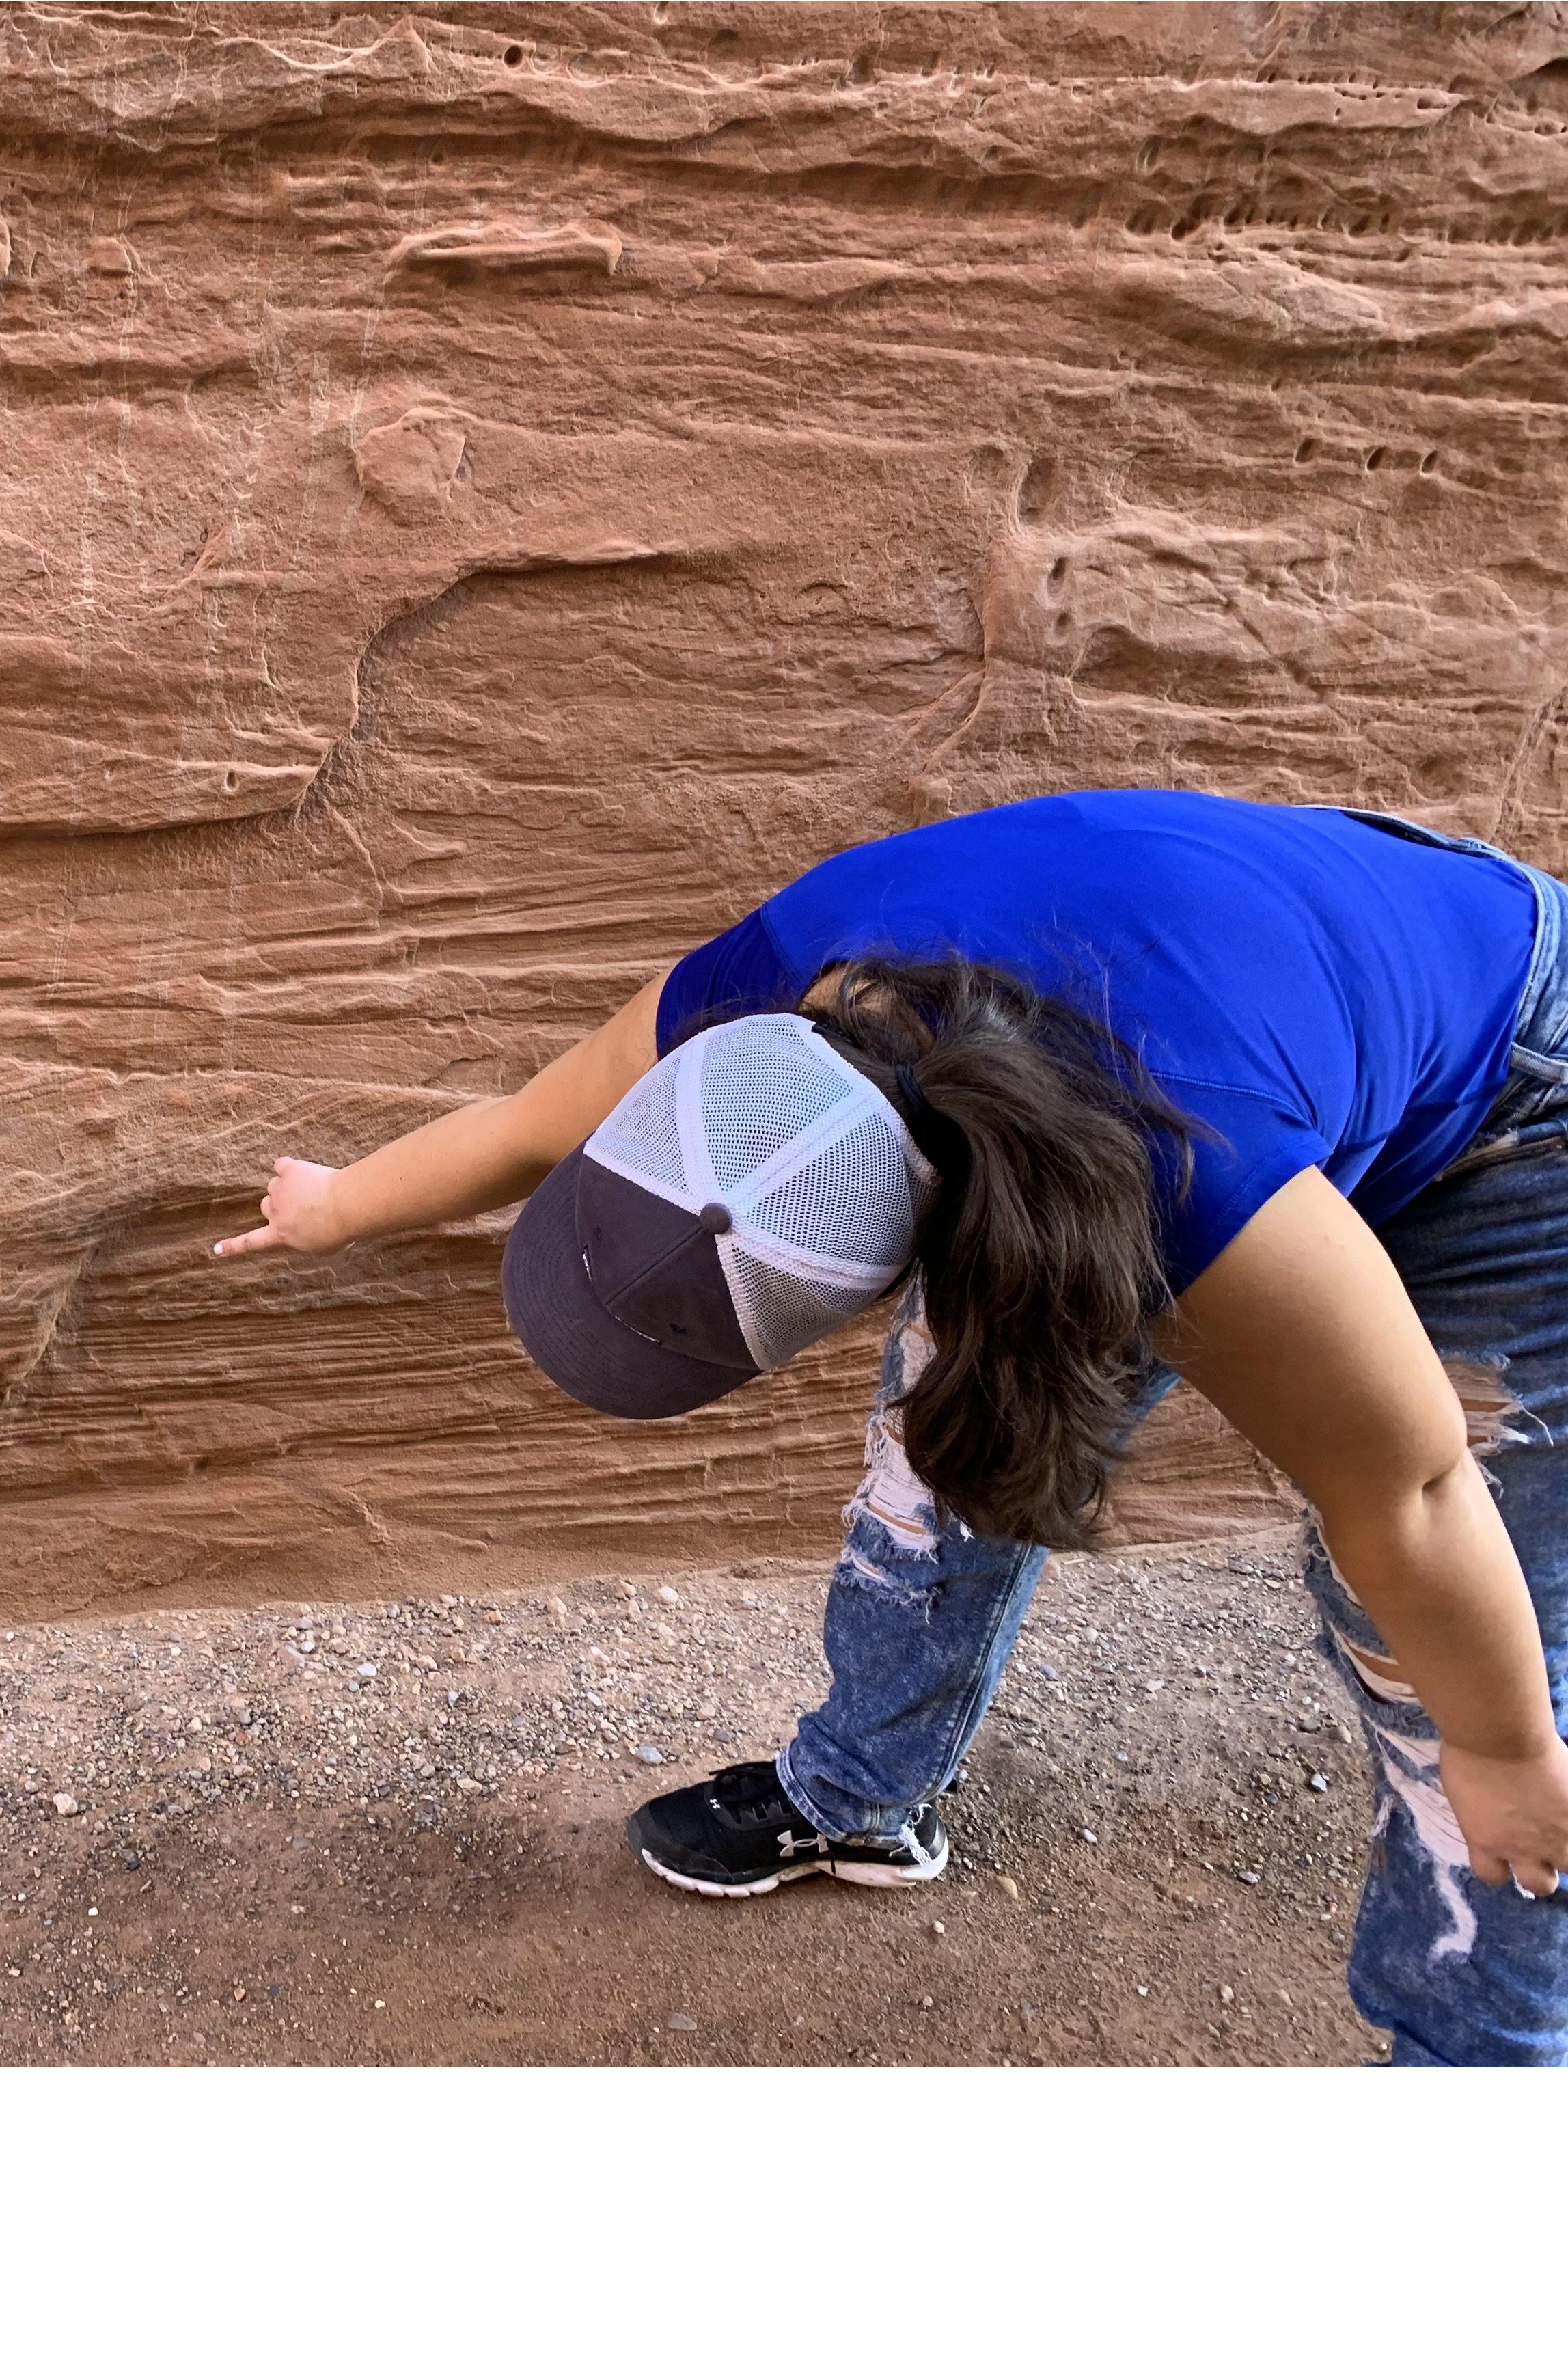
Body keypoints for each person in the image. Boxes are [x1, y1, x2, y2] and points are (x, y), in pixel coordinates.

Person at [212, 789, 1568, 2067]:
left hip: (1510, 1085)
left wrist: (1500, 1748)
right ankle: (860, 1798)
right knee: (952, 1439)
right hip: (1222, 1022)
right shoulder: (770, 985)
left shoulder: (1194, 1193)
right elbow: (523, 1125)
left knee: (1472, 1641)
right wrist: (338, 1205)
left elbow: (1414, 1490)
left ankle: (1480, 2072)